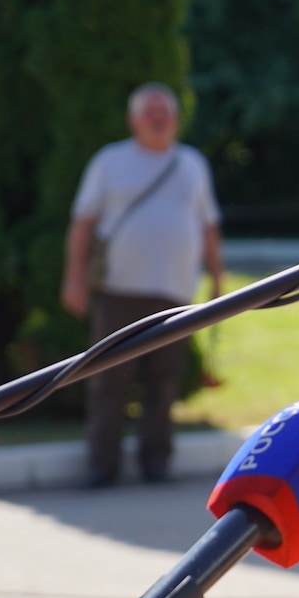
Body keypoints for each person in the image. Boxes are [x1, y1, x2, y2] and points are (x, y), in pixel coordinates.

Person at [60, 82, 224, 487]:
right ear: (133, 120)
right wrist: (74, 278)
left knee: (163, 383)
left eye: (164, 111)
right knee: (109, 382)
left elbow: (208, 226)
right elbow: (82, 223)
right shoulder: (110, 161)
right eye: (150, 112)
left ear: (176, 119)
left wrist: (217, 279)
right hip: (119, 291)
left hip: (176, 293)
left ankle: (157, 464)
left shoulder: (192, 164)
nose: (158, 118)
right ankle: (102, 466)